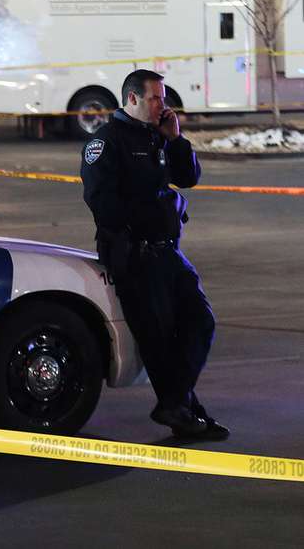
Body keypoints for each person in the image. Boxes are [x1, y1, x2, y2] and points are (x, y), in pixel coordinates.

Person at [81, 69, 227, 440]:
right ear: (132, 99)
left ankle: (176, 406)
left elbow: (189, 176)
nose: (163, 105)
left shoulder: (157, 135)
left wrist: (175, 140)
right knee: (160, 342)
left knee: (200, 321)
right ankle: (186, 414)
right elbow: (104, 206)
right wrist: (163, 204)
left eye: (163, 98)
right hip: (136, 257)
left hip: (168, 252)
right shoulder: (106, 143)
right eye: (156, 98)